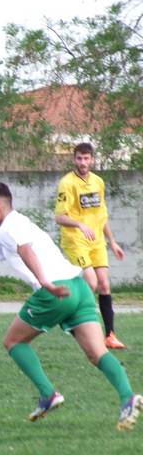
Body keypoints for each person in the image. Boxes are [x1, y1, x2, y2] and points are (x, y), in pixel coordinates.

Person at [0, 182, 141, 431]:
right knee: (98, 353)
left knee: (13, 342)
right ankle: (128, 397)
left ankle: (48, 394)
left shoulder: (8, 229)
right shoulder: (18, 225)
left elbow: (25, 250)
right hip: (80, 288)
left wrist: (45, 283)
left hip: (55, 291)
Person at [55, 142, 126, 349]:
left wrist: (112, 242)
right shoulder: (67, 183)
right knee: (91, 283)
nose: (83, 162)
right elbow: (59, 217)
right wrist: (80, 224)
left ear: (92, 160)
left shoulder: (98, 182)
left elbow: (101, 216)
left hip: (97, 241)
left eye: (86, 158)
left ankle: (110, 335)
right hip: (75, 240)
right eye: (79, 158)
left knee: (104, 285)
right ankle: (72, 321)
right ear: (74, 159)